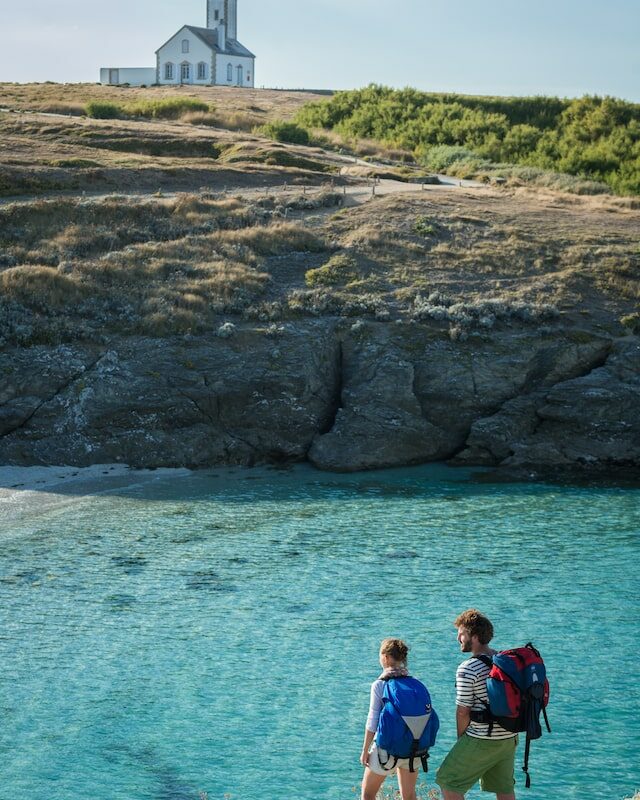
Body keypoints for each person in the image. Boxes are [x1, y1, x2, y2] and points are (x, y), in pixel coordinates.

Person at [435, 610, 518, 800]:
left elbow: (463, 711)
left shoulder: (468, 667)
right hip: (509, 737)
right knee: (504, 788)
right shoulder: (504, 660)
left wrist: (461, 740)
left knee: (448, 782)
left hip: (482, 738)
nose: (458, 638)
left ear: (474, 636)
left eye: (461, 633)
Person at [360, 638, 422, 800]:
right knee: (409, 796)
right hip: (414, 749)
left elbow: (373, 720)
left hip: (386, 752)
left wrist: (365, 750)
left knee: (367, 795)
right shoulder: (415, 683)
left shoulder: (380, 685)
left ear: (386, 657)